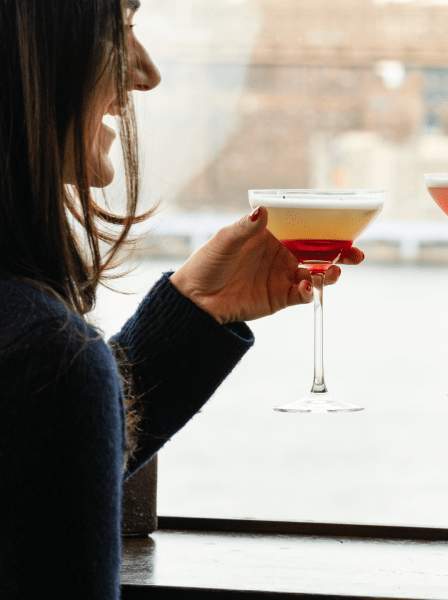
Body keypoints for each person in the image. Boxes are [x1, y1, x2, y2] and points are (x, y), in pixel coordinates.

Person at [0, 1, 363, 598]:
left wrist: (195, 309)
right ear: (27, 54)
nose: (146, 73)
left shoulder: (34, 355)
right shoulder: (41, 358)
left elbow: (32, 471)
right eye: (119, 29)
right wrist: (74, 371)